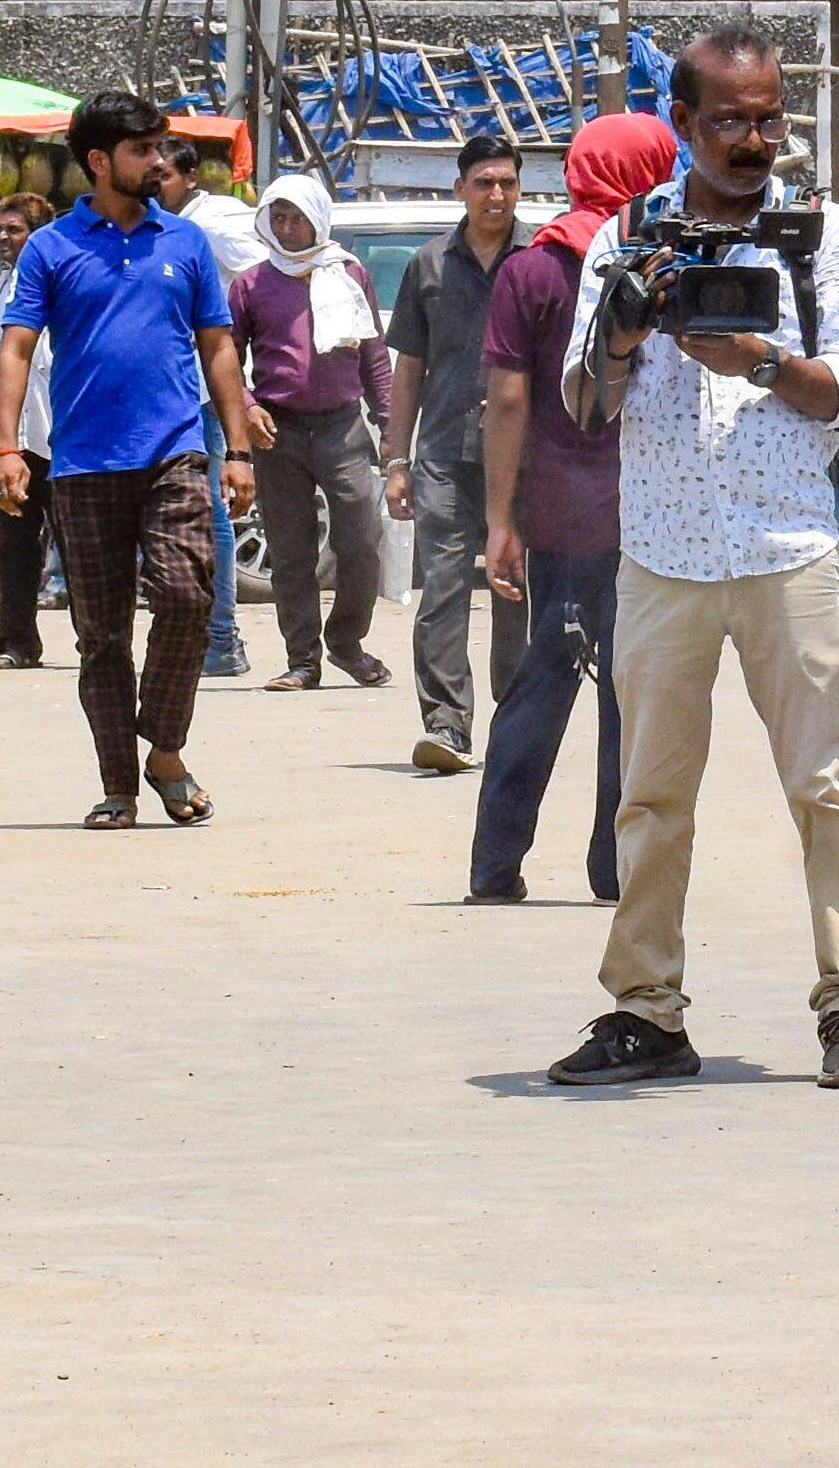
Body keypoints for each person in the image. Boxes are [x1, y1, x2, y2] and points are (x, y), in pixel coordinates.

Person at [540, 29, 839, 1089]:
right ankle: (646, 1012)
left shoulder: (816, 239)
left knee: (825, 788)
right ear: (683, 124)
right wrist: (622, 332)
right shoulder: (624, 239)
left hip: (789, 547)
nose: (754, 138)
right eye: (731, 118)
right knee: (649, 797)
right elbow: (582, 405)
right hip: (661, 558)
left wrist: (763, 360)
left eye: (768, 116)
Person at [0, 93, 261, 827]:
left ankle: (164, 747)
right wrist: (7, 446)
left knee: (185, 598)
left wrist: (235, 450)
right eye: (144, 151)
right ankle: (120, 786)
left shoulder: (186, 243)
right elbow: (16, 348)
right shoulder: (51, 249)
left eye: (163, 150)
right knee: (102, 636)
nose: (162, 163)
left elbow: (218, 347)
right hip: (81, 466)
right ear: (102, 161)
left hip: (174, 451)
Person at [465, 115, 654, 908]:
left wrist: (500, 519)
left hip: (557, 517)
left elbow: (505, 402)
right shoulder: (661, 266)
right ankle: (615, 871)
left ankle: (494, 865)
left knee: (540, 684)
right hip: (645, 520)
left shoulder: (531, 272)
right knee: (629, 693)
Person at [389, 134, 524, 769]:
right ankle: (446, 726)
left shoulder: (540, 261)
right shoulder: (429, 265)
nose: (496, 194)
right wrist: (396, 458)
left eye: (507, 183)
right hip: (442, 453)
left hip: (520, 456)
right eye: (484, 183)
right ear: (460, 190)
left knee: (515, 587)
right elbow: (408, 368)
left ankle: (518, 723)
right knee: (442, 590)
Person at [230, 171, 395, 690]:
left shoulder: (348, 273)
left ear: (318, 219)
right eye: (277, 217)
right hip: (277, 432)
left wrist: (391, 424)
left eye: (297, 217)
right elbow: (222, 362)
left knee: (361, 540)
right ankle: (303, 659)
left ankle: (347, 642)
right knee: (292, 551)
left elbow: (374, 357)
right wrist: (247, 405)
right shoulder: (250, 283)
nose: (287, 227)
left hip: (342, 428)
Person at [153, 133, 258, 686]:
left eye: (165, 174)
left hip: (209, 392)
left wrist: (247, 382)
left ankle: (223, 637)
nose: (156, 182)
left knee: (212, 510)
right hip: (176, 391)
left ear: (190, 178)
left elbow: (270, 275)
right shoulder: (164, 226)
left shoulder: (211, 222)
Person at [0, 190, 57, 670]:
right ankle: (17, 641)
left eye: (14, 230)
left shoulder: (57, 280)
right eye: (1, 230)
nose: (4, 238)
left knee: (77, 544)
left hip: (57, 432)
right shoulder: (2, 284)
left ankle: (97, 641)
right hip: (11, 440)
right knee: (16, 545)